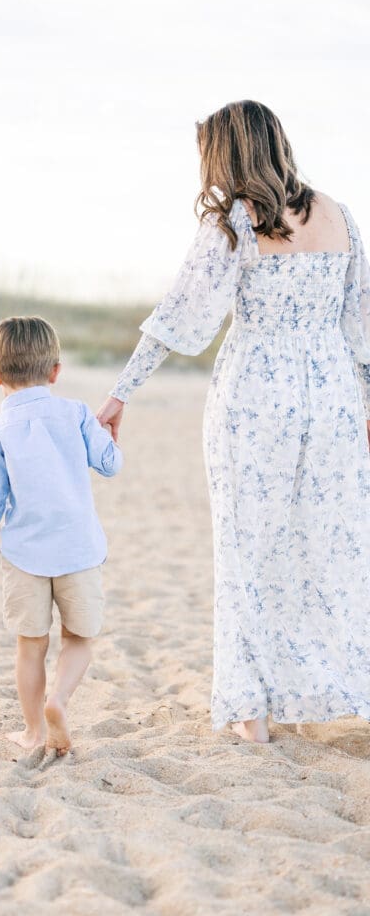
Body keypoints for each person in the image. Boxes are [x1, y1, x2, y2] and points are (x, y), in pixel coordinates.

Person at [97, 100, 370, 744]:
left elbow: (178, 317)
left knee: (249, 551)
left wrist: (120, 393)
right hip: (331, 398)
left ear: (230, 152)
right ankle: (314, 694)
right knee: (326, 550)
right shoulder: (341, 216)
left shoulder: (235, 225)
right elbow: (360, 326)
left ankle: (253, 714)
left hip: (257, 400)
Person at [0, 317, 123, 755]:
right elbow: (110, 464)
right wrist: (111, 434)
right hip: (79, 550)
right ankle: (59, 700)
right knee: (79, 638)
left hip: (25, 556)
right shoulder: (76, 413)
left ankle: (34, 730)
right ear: (56, 371)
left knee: (30, 646)